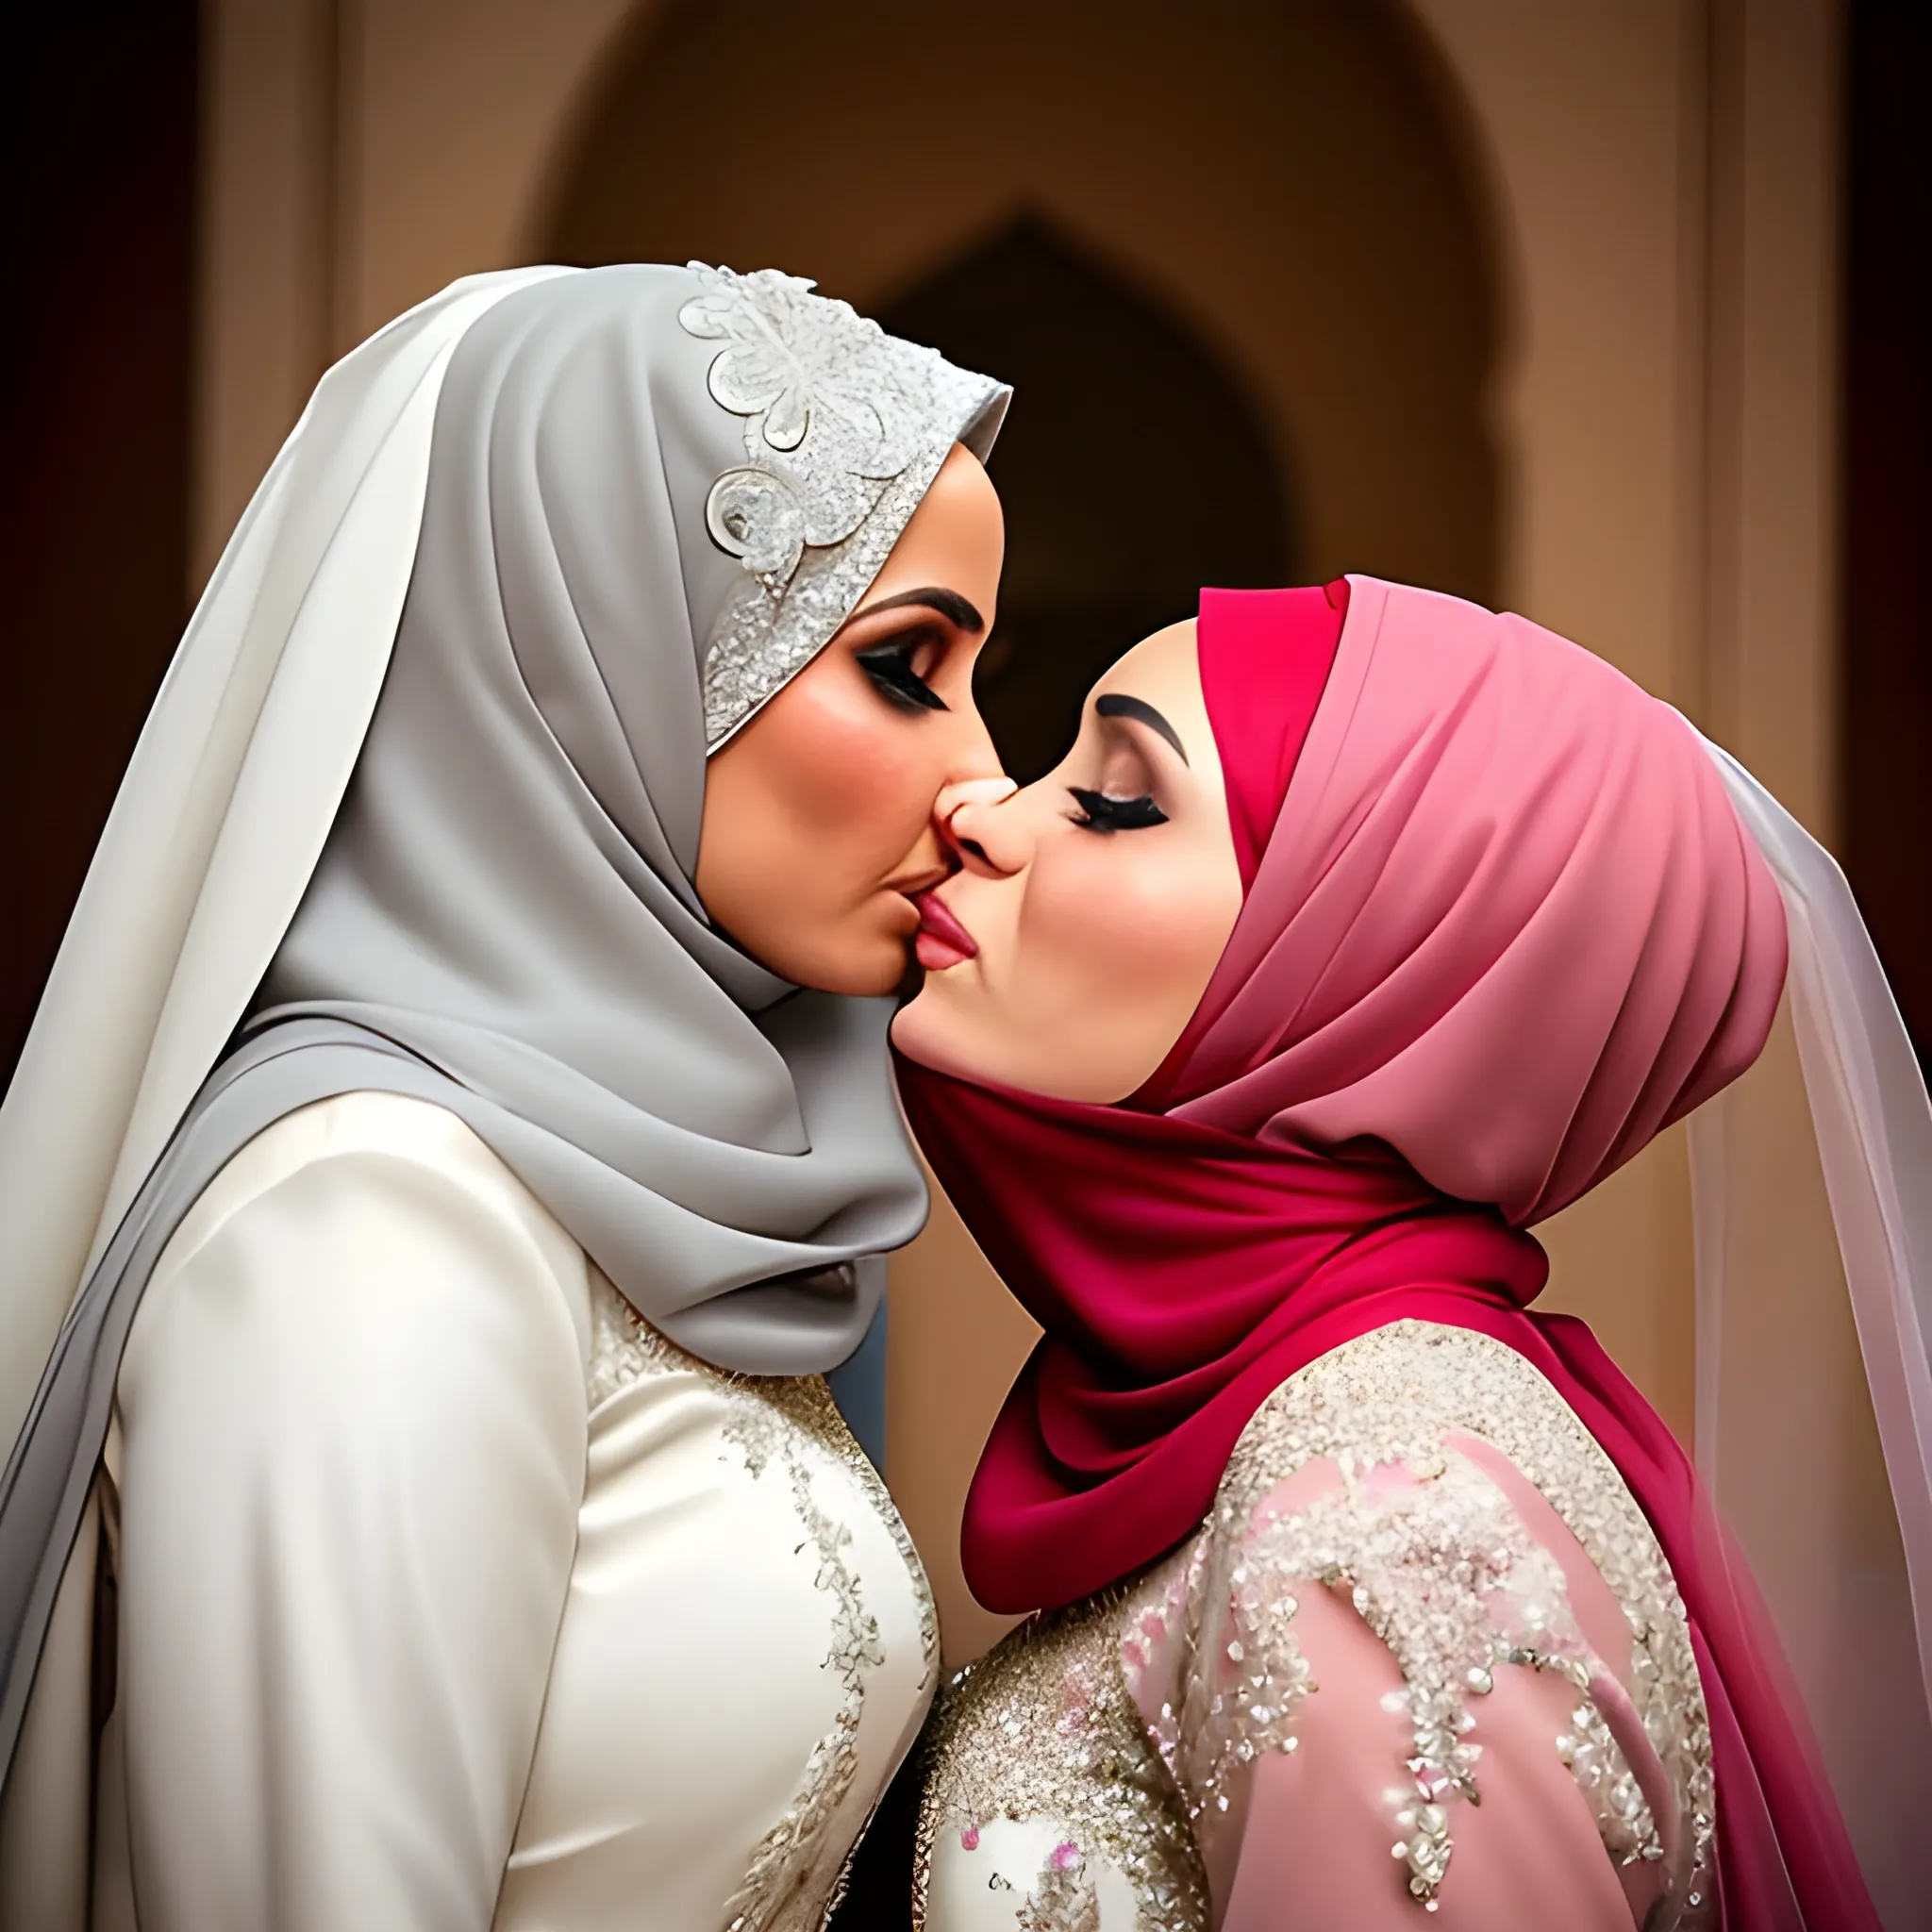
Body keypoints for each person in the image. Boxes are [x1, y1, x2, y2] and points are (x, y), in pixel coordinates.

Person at [0, 260, 1015, 1929]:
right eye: (908, 668)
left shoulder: (639, 1189)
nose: (981, 781)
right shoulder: (373, 1215)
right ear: (601, 643)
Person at [891, 580, 1932, 1929]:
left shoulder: (1385, 1524)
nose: (978, 810)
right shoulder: (1335, 1415)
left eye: (1115, 798)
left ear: (1366, 974)